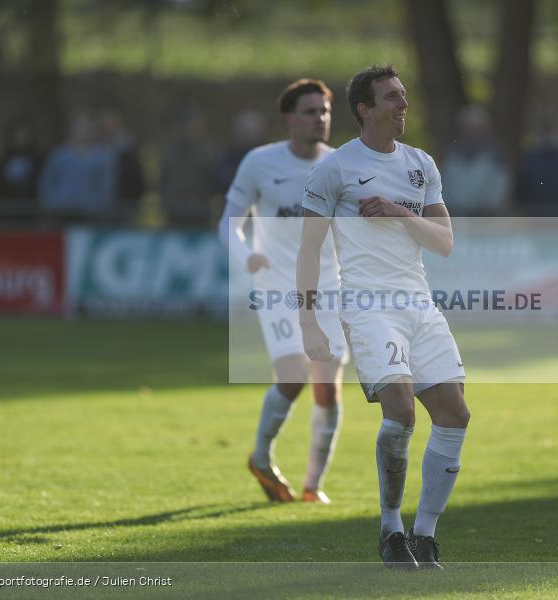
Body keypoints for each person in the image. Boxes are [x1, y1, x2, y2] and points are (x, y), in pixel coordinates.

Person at [299, 65, 469, 570]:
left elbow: (444, 242)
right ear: (364, 110)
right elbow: (308, 249)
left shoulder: (421, 164)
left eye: (404, 96)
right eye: (392, 98)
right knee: (401, 407)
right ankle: (391, 527)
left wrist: (400, 211)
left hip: (419, 303)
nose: (403, 105)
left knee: (455, 414)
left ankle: (425, 534)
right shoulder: (336, 168)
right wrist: (310, 321)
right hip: (368, 306)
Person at [218, 79, 347, 505]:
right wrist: (245, 256)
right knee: (293, 375)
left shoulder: (340, 166)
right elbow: (229, 223)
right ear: (290, 119)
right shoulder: (259, 162)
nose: (320, 119)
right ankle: (261, 457)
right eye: (310, 112)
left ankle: (313, 486)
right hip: (275, 285)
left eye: (324, 112)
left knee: (327, 387)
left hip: (328, 288)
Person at [38, 111, 115, 224]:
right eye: (79, 127)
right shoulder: (59, 155)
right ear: (72, 129)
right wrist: (51, 204)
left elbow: (106, 186)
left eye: (86, 127)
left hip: (90, 214)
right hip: (61, 211)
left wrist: (101, 208)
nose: (83, 131)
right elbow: (47, 182)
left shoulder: (102, 157)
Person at [440, 105, 509, 217]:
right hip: (457, 216)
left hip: (486, 218)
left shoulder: (495, 155)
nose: (471, 131)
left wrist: (488, 205)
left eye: (475, 127)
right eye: (468, 127)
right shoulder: (453, 153)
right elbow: (445, 183)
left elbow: (499, 186)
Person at [160, 109, 217, 228]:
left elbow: (212, 181)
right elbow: (163, 180)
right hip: (175, 213)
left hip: (200, 213)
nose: (188, 130)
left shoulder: (207, 152)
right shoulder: (170, 152)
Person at [0, 116, 43, 225]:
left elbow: (41, 183)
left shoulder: (36, 158)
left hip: (30, 211)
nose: (21, 137)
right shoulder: (4, 158)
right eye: (19, 133)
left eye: (24, 134)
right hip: (7, 211)